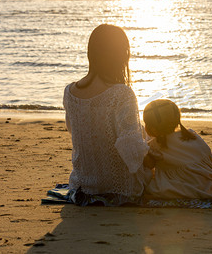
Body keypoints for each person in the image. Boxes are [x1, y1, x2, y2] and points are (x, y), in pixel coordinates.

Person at [63, 24, 151, 206]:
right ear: (119, 55)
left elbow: (75, 132)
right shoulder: (121, 93)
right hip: (120, 188)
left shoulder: (70, 92)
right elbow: (132, 154)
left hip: (83, 186)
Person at [142, 99, 212, 200]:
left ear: (153, 128)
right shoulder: (192, 135)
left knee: (152, 188)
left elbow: (148, 164)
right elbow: (209, 158)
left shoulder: (155, 145)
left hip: (185, 184)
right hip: (208, 180)